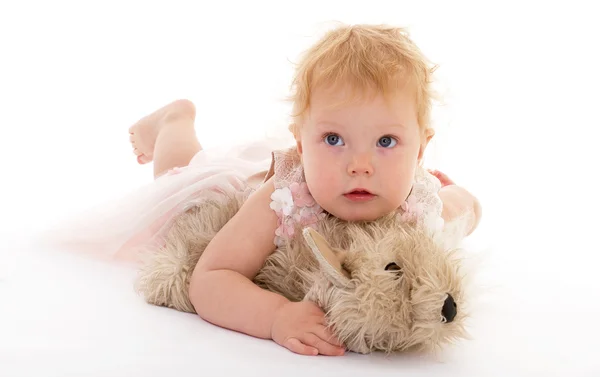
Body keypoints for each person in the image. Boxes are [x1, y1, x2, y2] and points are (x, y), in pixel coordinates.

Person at [67, 24, 482, 357]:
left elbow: (465, 209)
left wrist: (458, 192)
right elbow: (210, 278)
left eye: (386, 142)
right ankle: (173, 124)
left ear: (421, 149)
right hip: (221, 202)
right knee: (183, 180)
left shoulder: (418, 200)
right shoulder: (284, 201)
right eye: (334, 139)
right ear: (301, 146)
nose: (360, 165)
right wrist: (277, 316)